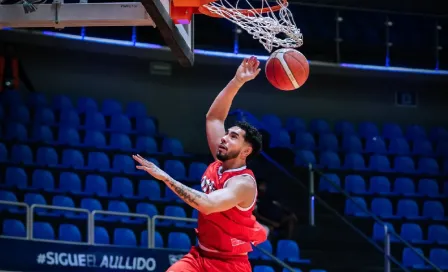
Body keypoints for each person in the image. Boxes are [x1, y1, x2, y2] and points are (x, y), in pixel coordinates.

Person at [133, 56, 267, 272]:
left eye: (233, 137)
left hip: (230, 265)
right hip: (199, 256)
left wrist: (166, 178)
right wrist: (237, 81)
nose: (224, 138)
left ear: (246, 151)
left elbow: (207, 204)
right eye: (227, 134)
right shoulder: (221, 158)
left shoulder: (243, 184)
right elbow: (214, 118)